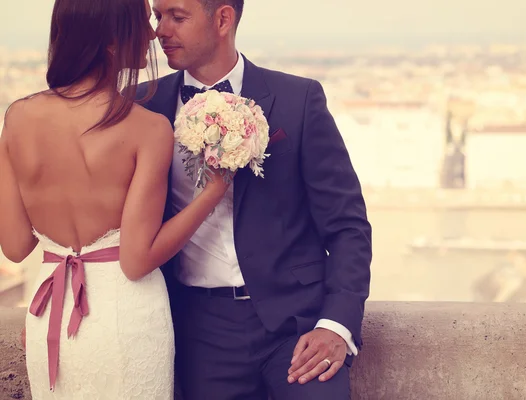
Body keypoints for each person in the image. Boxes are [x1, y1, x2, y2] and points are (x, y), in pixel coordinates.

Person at [137, 0, 373, 398]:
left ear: (223, 19)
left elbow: (346, 224)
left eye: (177, 17)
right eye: (159, 16)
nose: (161, 30)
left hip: (297, 325)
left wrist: (336, 324)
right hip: (198, 331)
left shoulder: (298, 99)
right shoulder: (141, 105)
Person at [0, 0, 230, 398]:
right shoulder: (147, 128)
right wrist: (213, 192)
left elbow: (16, 246)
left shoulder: (17, 117)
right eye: (142, 23)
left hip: (49, 312)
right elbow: (136, 259)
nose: (153, 33)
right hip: (127, 317)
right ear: (110, 40)